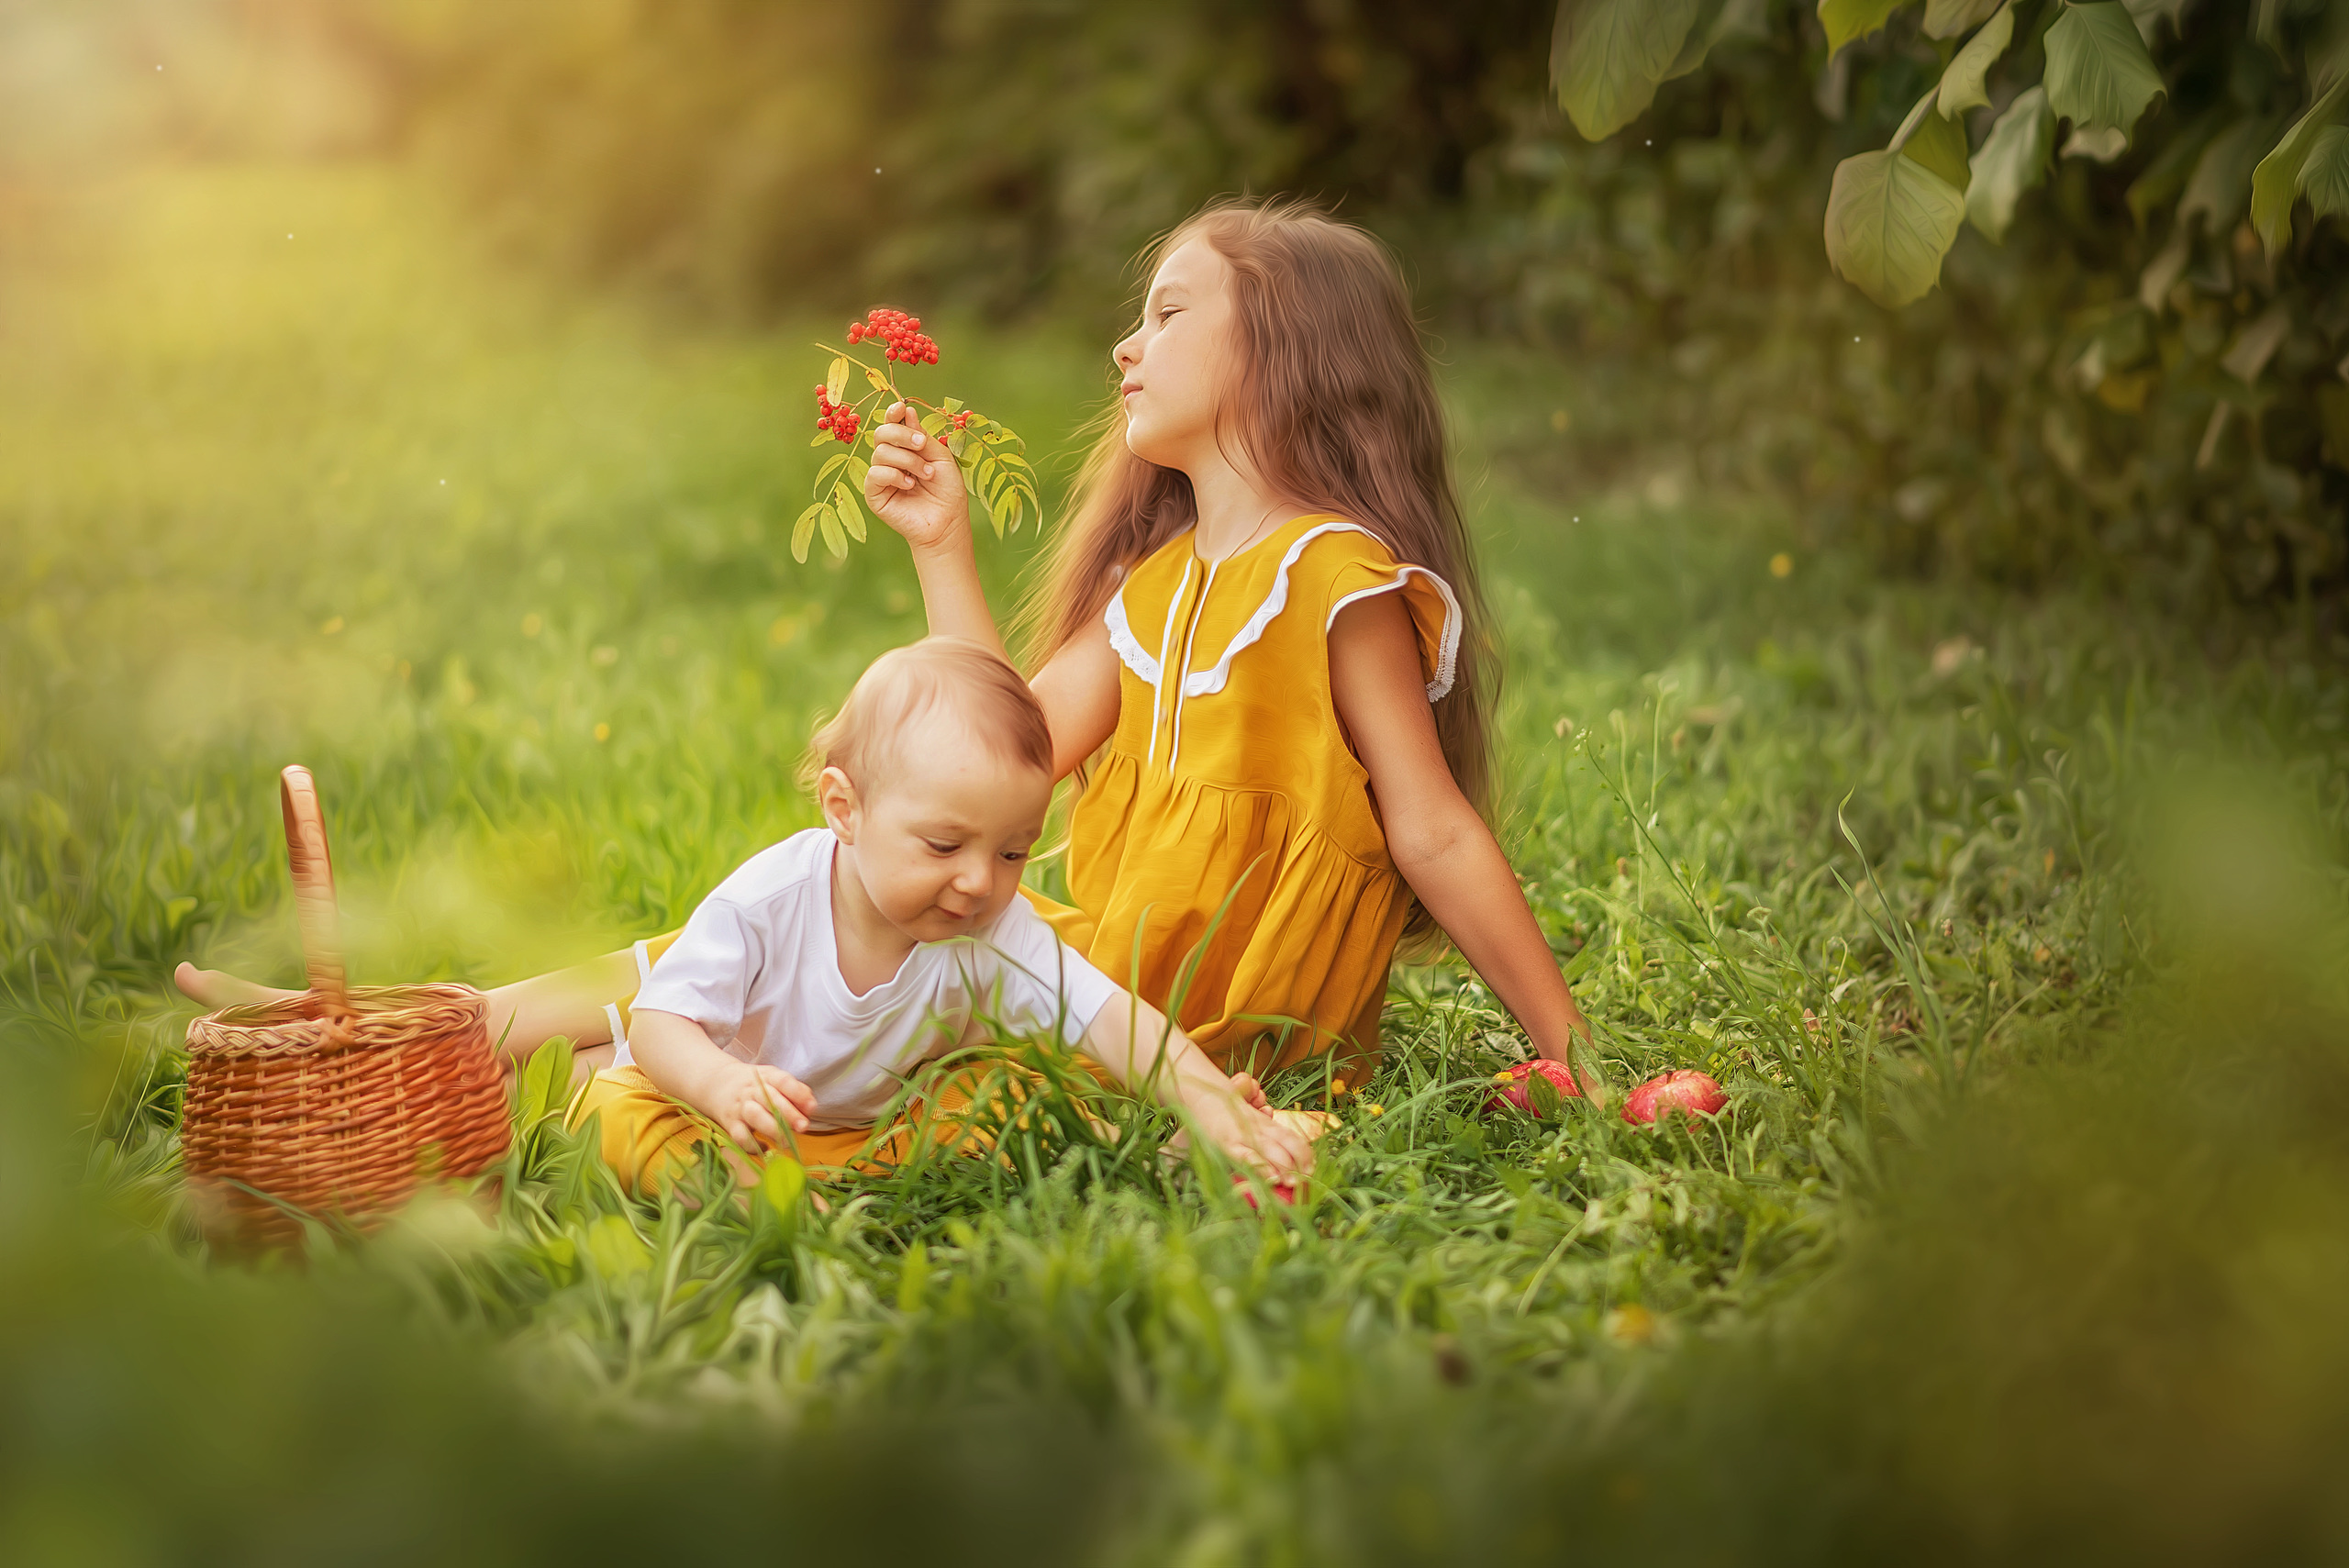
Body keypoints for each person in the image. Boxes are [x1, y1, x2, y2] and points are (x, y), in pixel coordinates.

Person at [178, 196, 1594, 1112]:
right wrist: (941, 548)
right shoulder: (1157, 588)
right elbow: (998, 758)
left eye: (1167, 312)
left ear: (1286, 352)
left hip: (1207, 1020)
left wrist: (1569, 1053)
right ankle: (441, 1036)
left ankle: (454, 1050)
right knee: (787, 940)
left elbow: (1431, 828)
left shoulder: (1333, 576)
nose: (1124, 345)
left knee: (847, 1015)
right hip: (1102, 973)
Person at [575, 636, 1318, 1189]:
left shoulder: (990, 929)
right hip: (729, 1116)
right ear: (846, 809)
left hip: (869, 1129)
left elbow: (1106, 1014)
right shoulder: (768, 902)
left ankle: (1178, 1148)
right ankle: (749, 1196)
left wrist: (1213, 1099)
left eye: (1012, 853)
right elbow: (658, 1022)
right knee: (616, 1109)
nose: (976, 882)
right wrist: (719, 1085)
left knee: (1007, 1098)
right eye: (943, 844)